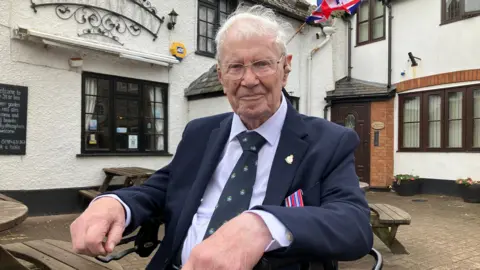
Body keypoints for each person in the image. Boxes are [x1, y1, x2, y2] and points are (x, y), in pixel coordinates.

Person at [70, 4, 373, 270]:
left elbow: (355, 227)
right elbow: (161, 189)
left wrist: (264, 225)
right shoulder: (200, 133)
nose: (249, 80)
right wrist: (114, 203)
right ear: (220, 76)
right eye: (235, 67)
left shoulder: (328, 141)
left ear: (286, 67)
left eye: (262, 64)